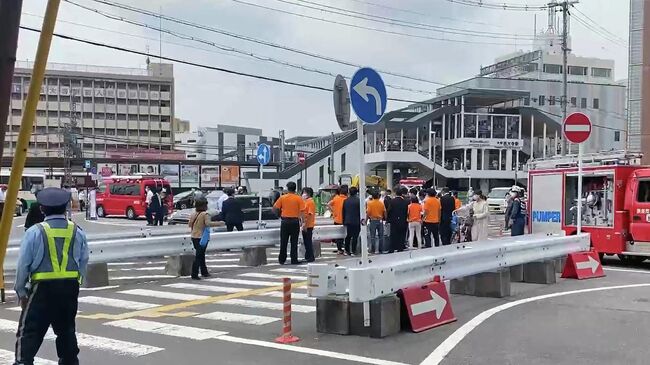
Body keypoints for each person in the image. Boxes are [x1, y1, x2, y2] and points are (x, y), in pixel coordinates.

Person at [13, 187, 88, 365]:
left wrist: (21, 292)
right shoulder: (77, 231)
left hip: (42, 289)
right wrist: (78, 283)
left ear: (42, 209)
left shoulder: (35, 232)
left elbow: (22, 266)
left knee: (29, 333)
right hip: (69, 288)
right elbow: (83, 261)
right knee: (66, 331)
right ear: (66, 207)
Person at [188, 198, 224, 280]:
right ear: (204, 205)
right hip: (202, 237)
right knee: (199, 255)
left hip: (194, 236)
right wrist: (220, 223)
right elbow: (208, 223)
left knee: (200, 254)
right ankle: (195, 274)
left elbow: (190, 224)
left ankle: (204, 272)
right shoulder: (205, 214)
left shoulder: (193, 214)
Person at [273, 182, 305, 265]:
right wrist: (303, 222)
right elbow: (302, 212)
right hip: (295, 221)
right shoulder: (298, 198)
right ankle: (294, 259)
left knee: (283, 241)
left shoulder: (283, 198)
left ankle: (282, 259)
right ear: (295, 188)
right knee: (294, 242)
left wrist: (279, 215)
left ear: (287, 188)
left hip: (285, 221)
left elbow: (275, 207)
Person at [386, 187, 408, 253]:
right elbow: (407, 211)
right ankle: (400, 248)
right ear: (402, 194)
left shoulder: (392, 201)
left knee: (393, 235)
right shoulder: (405, 201)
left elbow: (389, 211)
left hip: (394, 221)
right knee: (402, 235)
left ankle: (392, 249)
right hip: (403, 220)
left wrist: (388, 219)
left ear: (395, 193)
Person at [328, 185, 348, 255]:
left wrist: (333, 212)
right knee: (345, 235)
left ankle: (339, 249)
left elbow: (329, 204)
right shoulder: (347, 199)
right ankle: (345, 249)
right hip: (345, 220)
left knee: (338, 236)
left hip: (337, 219)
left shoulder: (336, 198)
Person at [342, 187, 361, 256]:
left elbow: (343, 212)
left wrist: (343, 221)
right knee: (355, 236)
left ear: (349, 192)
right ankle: (353, 251)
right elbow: (361, 212)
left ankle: (347, 250)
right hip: (357, 221)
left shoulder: (346, 201)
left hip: (348, 221)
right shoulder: (359, 201)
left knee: (348, 236)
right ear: (356, 192)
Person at [301, 187, 316, 262]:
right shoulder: (306, 201)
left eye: (304, 192)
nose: (303, 194)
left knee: (308, 242)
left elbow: (309, 214)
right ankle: (308, 256)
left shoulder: (310, 202)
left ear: (309, 194)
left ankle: (310, 257)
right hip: (306, 224)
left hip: (308, 225)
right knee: (306, 242)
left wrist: (305, 225)